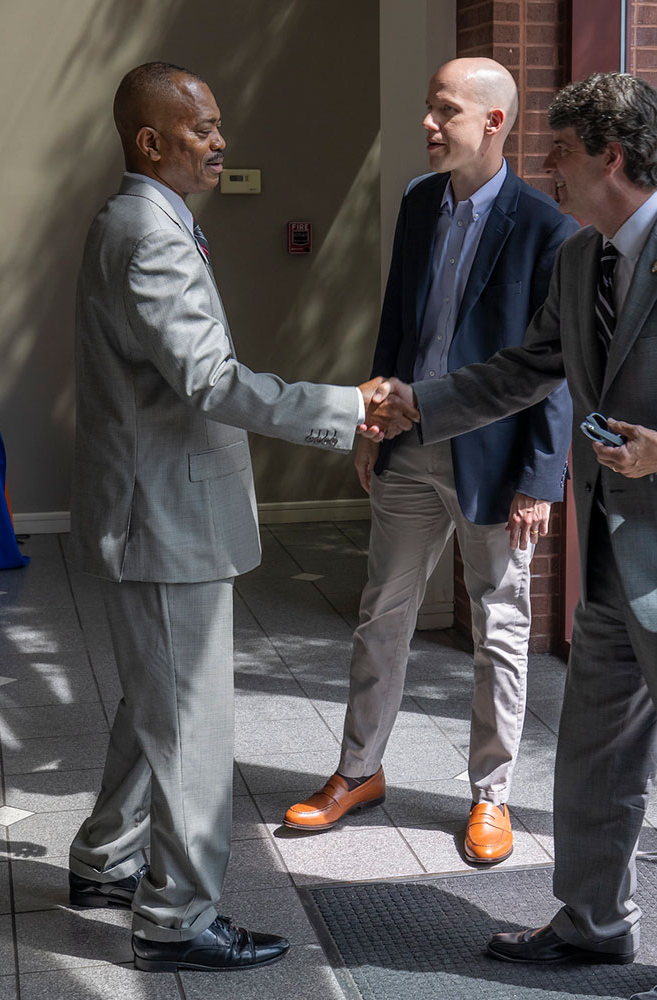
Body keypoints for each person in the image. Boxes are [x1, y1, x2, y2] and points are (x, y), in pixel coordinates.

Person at [384, 73, 657, 1000]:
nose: (548, 171)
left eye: (563, 154)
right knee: (590, 757)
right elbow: (527, 368)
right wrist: (420, 403)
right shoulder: (582, 260)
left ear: (610, 158)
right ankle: (592, 924)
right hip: (615, 559)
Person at [65, 61, 415, 974]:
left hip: (156, 507)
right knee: (189, 723)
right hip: (167, 517)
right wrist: (348, 407)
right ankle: (175, 919)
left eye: (219, 127)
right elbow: (212, 383)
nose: (221, 143)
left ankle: (106, 860)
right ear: (150, 142)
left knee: (155, 697)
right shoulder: (152, 234)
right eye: (202, 128)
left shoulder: (141, 221)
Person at [281, 58, 576, 864]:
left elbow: (555, 368)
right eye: (428, 108)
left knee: (500, 629)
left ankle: (493, 798)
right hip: (408, 448)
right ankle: (357, 771)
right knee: (382, 615)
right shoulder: (418, 202)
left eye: (445, 110)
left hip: (496, 463)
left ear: (495, 122)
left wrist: (543, 477)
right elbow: (396, 326)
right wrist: (368, 423)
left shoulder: (549, 229)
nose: (428, 124)